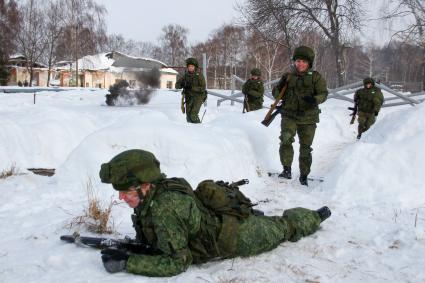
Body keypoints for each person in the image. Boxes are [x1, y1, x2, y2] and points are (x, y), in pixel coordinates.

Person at [98, 149, 331, 277]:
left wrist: (128, 263)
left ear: (145, 184)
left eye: (126, 191)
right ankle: (251, 217)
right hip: (215, 223)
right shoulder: (156, 191)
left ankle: (315, 216)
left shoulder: (165, 208)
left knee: (283, 227)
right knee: (266, 222)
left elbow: (178, 263)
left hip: (233, 237)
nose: (121, 197)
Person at [272, 46, 328, 186]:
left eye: (303, 61)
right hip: (289, 115)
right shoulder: (288, 76)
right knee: (285, 140)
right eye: (297, 61)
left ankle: (304, 175)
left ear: (309, 63)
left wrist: (315, 99)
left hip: (308, 118)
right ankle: (286, 169)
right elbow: (276, 94)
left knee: (305, 147)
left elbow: (324, 93)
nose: (300, 64)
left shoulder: (316, 77)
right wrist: (280, 88)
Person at [175, 58, 207, 123]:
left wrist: (191, 87)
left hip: (198, 97)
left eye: (192, 66)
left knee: (193, 115)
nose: (190, 68)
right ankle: (191, 131)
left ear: (195, 67)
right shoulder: (185, 76)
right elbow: (177, 86)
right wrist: (182, 84)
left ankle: (200, 129)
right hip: (189, 97)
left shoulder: (199, 75)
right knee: (188, 117)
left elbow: (203, 88)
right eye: (189, 66)